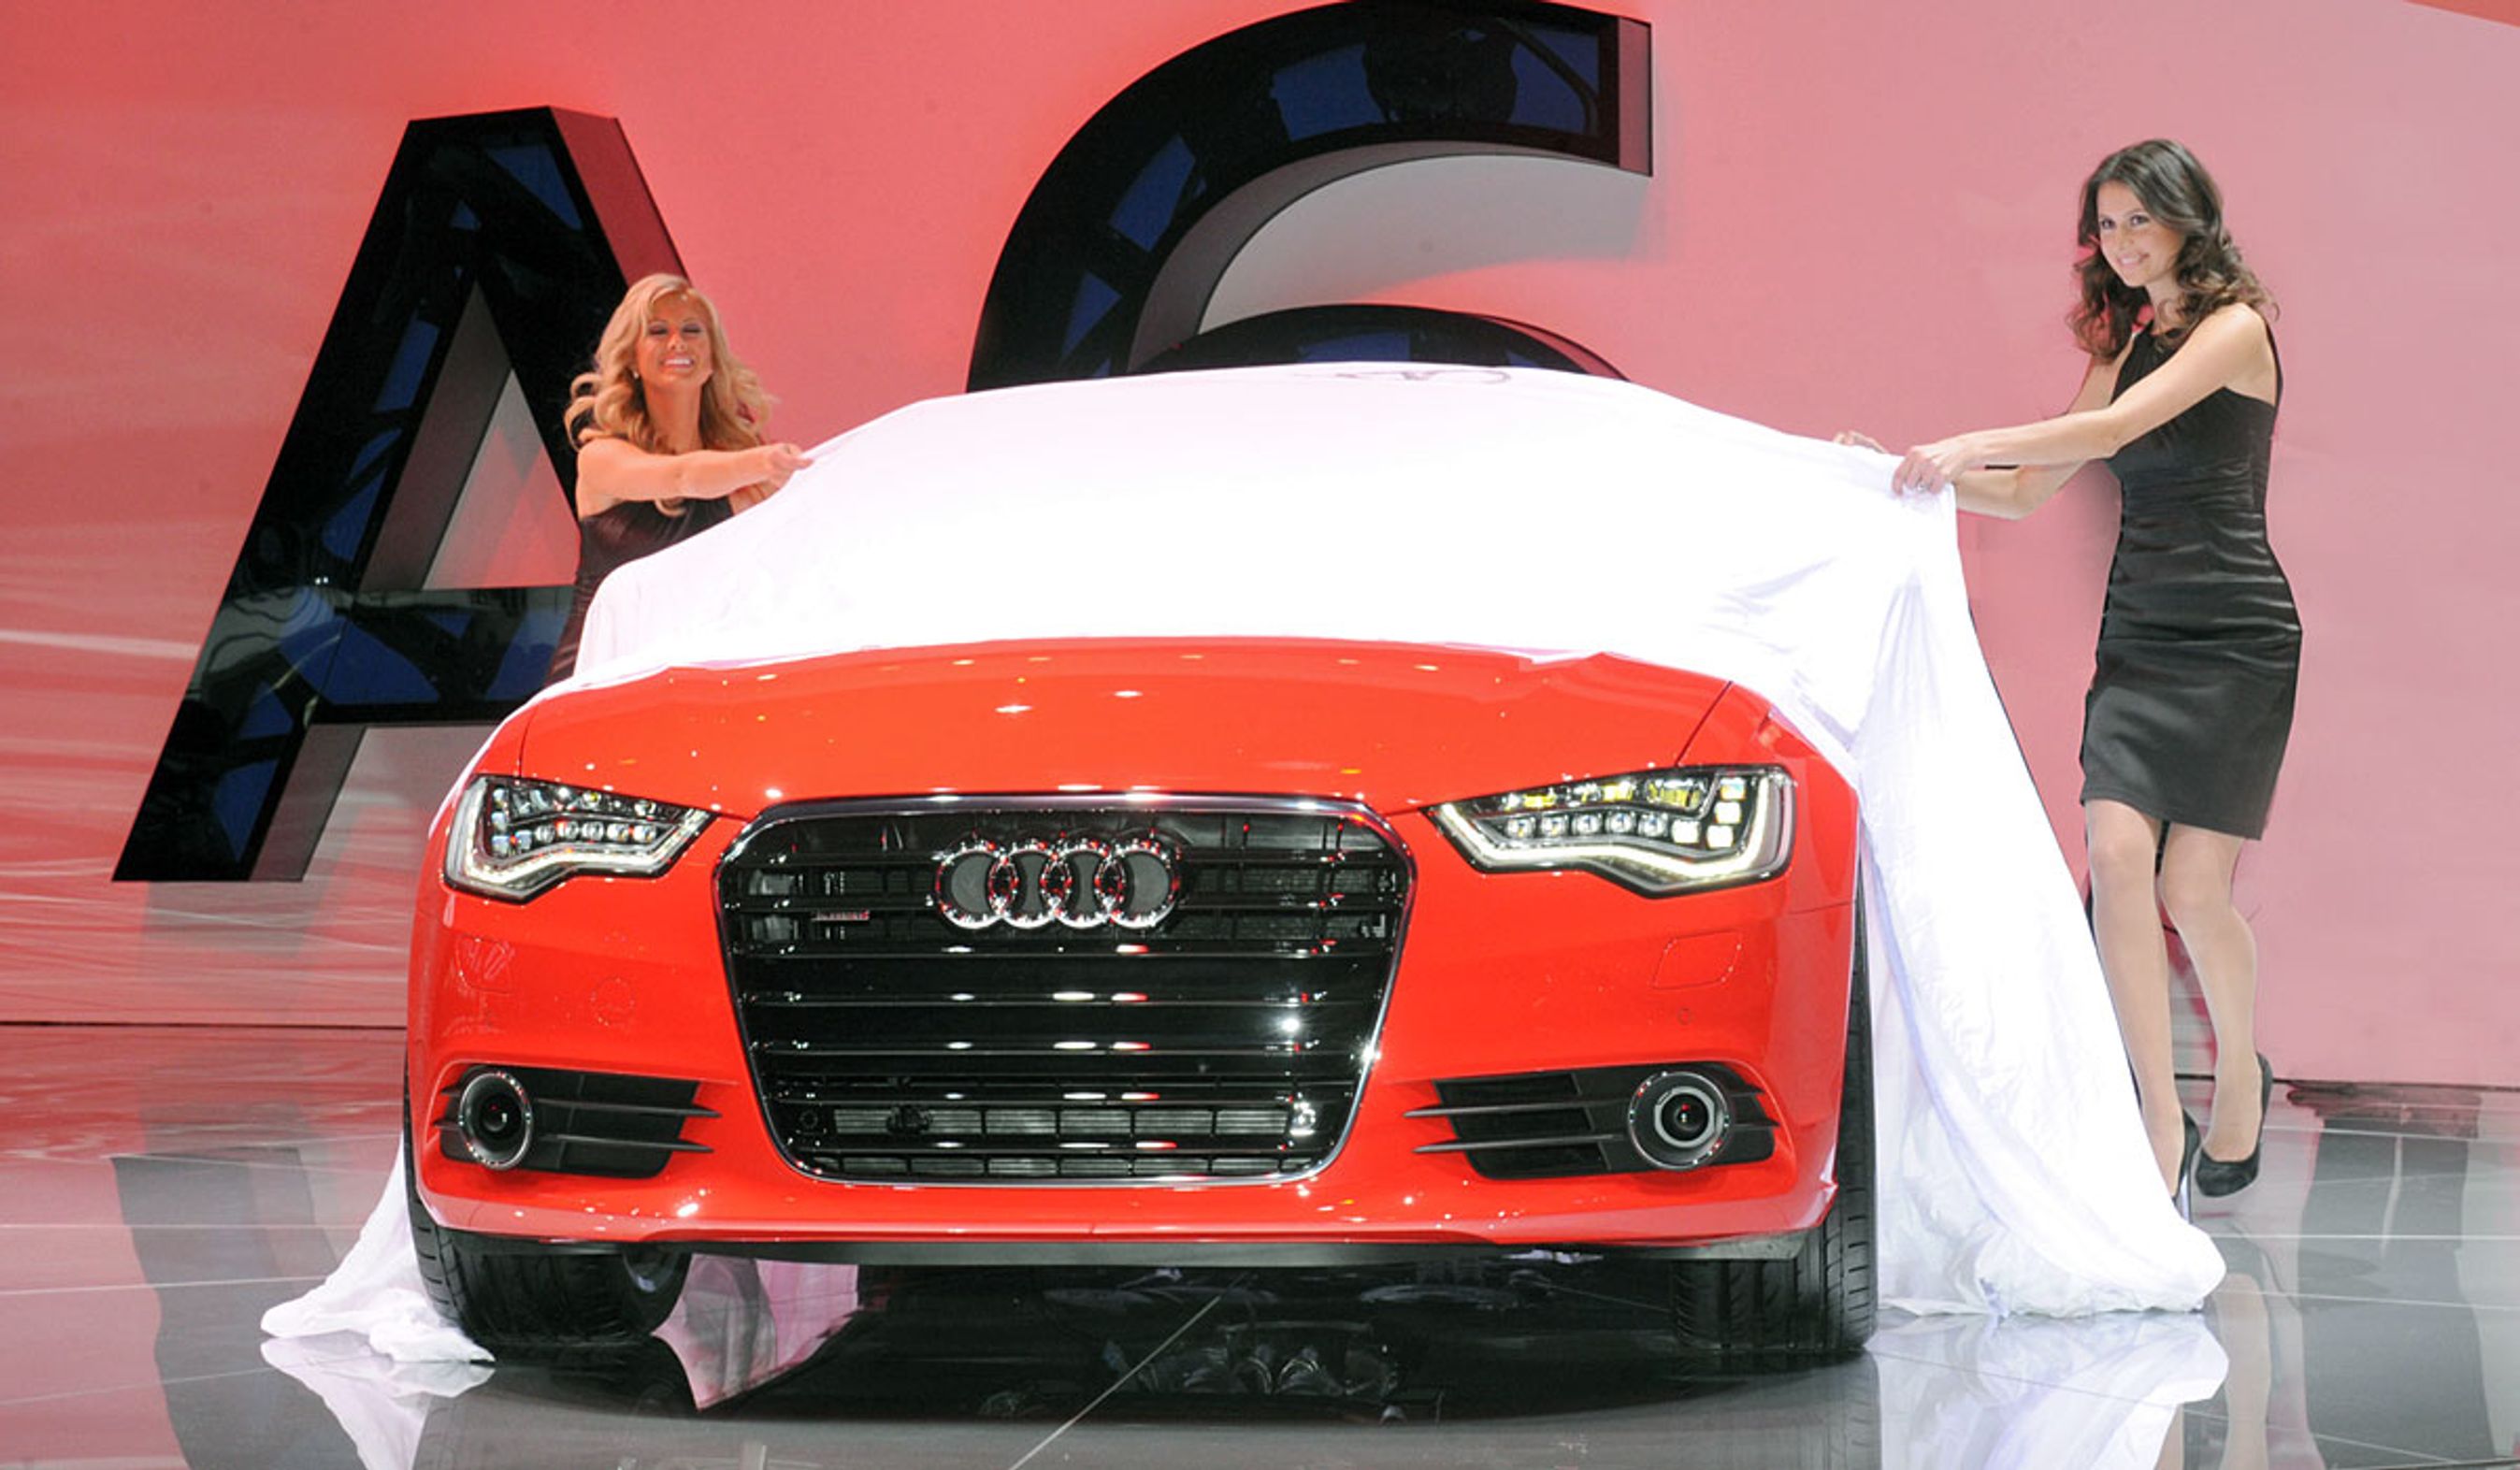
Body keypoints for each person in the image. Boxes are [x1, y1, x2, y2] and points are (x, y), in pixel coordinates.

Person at [1846, 138, 2296, 1206]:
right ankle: (2154, 1119)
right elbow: (2028, 489)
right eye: (2106, 224)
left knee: (2193, 890)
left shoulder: (2235, 329)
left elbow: (2116, 428)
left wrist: (1966, 440)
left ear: (2189, 219)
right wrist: (1899, 477)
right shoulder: (2125, 340)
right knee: (2114, 855)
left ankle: (2239, 1073)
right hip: (2140, 633)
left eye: (2141, 219)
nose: (2122, 242)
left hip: (2237, 635)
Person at [546, 273, 810, 682]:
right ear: (631, 359)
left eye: (692, 330)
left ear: (712, 359)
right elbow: (682, 476)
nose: (677, 343)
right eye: (657, 331)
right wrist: (762, 462)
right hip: (600, 681)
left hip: (699, 681)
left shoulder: (745, 479)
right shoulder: (602, 458)